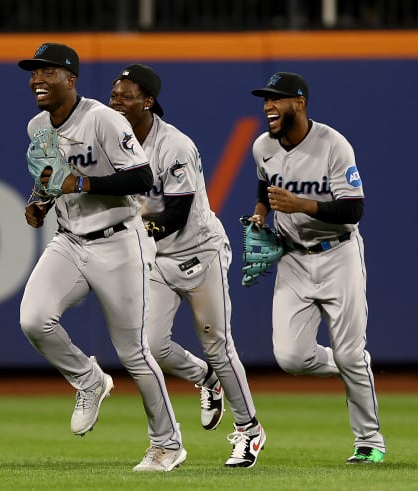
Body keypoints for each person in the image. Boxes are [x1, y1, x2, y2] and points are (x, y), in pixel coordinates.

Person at [17, 43, 186, 472]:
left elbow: (143, 177)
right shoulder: (37, 125)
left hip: (118, 241)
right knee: (34, 319)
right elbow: (51, 177)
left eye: (47, 72)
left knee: (134, 352)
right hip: (70, 240)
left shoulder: (103, 119)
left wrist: (82, 184)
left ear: (70, 80)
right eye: (34, 72)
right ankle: (89, 379)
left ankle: (167, 444)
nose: (37, 78)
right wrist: (39, 201)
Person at [108, 64, 266, 468]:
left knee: (216, 343)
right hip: (157, 258)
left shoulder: (174, 144)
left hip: (199, 252)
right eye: (113, 94)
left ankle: (250, 431)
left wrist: (125, 229)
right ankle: (205, 378)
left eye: (126, 95)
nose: (116, 101)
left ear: (148, 102)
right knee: (153, 345)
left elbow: (176, 212)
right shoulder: (112, 141)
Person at [247, 72, 386, 464]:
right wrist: (260, 213)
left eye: (277, 99)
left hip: (338, 254)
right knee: (291, 357)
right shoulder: (262, 147)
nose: (268, 106)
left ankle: (370, 441)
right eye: (265, 100)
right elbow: (265, 186)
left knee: (350, 352)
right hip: (292, 257)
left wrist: (303, 205)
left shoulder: (333, 144)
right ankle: (351, 366)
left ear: (300, 103)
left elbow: (354, 208)